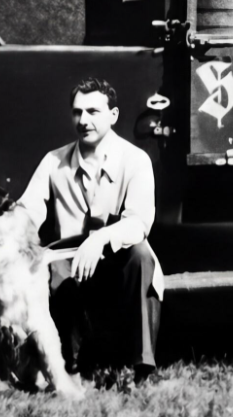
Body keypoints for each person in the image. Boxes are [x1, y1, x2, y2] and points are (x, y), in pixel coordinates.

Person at [18, 77, 163, 381]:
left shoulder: (136, 160)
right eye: (77, 112)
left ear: (113, 115)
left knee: (142, 257)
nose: (83, 120)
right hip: (68, 260)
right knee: (52, 268)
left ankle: (142, 368)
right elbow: (27, 212)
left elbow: (139, 223)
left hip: (115, 255)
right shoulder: (53, 162)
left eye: (93, 112)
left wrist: (101, 239)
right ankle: (66, 368)